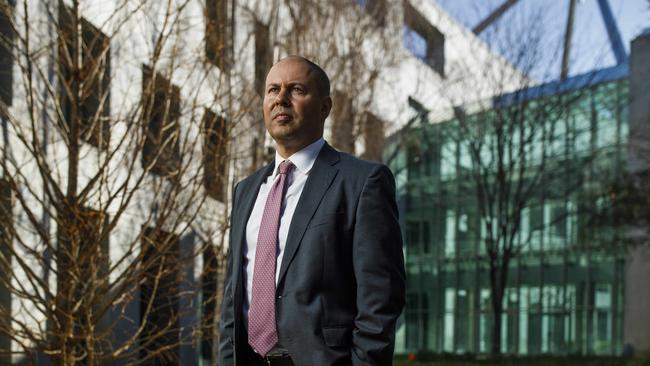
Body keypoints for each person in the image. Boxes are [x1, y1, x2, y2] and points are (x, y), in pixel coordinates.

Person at [218, 55, 405, 366]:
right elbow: (232, 299)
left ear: (324, 107)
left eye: (296, 90)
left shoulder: (361, 183)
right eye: (273, 90)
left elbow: (380, 300)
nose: (281, 99)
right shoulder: (245, 191)